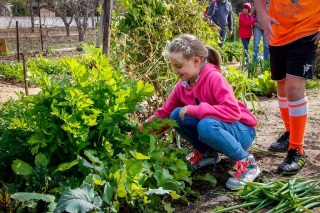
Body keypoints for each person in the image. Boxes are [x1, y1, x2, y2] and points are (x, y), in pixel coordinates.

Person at [146, 34, 260, 189]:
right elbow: (163, 114)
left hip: (241, 131)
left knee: (206, 125)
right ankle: (207, 154)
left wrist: (196, 110)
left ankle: (247, 163)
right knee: (175, 116)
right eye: (172, 66)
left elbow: (233, 112)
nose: (174, 71)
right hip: (219, 130)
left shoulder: (214, 78)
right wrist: (138, 134)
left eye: (178, 66)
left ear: (196, 61)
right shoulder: (183, 86)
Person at [254, 0, 320, 175]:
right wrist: (262, 15)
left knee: (293, 88)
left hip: (307, 30)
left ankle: (297, 149)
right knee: (282, 87)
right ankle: (290, 132)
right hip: (277, 32)